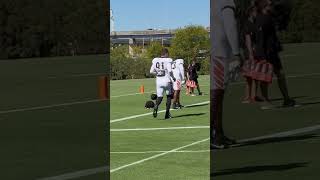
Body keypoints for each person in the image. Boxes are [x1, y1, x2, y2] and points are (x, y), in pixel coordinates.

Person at [211, 0, 241, 149]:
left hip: (215, 49)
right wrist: (236, 52)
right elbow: (230, 25)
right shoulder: (224, 2)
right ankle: (213, 134)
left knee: (218, 93)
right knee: (217, 93)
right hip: (220, 51)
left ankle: (218, 132)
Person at [254, 0, 296, 108]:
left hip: (272, 52)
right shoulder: (261, 19)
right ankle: (266, 101)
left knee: (280, 74)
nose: (272, 6)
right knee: (265, 77)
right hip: (266, 53)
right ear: (264, 6)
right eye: (270, 5)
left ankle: (286, 99)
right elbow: (260, 39)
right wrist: (262, 56)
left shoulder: (268, 17)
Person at [149, 48, 176, 119]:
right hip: (166, 80)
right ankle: (167, 113)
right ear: (166, 54)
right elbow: (170, 70)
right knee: (169, 96)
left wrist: (158, 72)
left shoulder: (155, 60)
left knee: (160, 97)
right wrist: (173, 78)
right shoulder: (168, 60)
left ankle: (156, 105)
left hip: (158, 81)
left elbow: (151, 71)